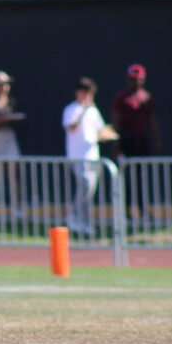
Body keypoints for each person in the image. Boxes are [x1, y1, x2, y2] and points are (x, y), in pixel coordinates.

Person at [62, 77, 117, 237]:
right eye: (86, 93)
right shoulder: (71, 109)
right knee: (84, 186)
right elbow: (70, 126)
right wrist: (83, 110)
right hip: (77, 157)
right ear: (79, 92)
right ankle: (73, 216)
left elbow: (100, 131)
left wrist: (110, 135)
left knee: (89, 191)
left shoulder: (94, 110)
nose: (88, 97)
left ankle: (83, 221)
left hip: (93, 156)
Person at [111, 64, 163, 220]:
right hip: (126, 141)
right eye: (132, 80)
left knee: (141, 176)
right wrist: (116, 145)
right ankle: (126, 210)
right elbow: (116, 121)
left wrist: (157, 140)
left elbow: (151, 120)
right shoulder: (121, 98)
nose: (135, 83)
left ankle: (142, 208)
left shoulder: (146, 98)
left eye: (138, 80)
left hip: (141, 141)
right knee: (125, 177)